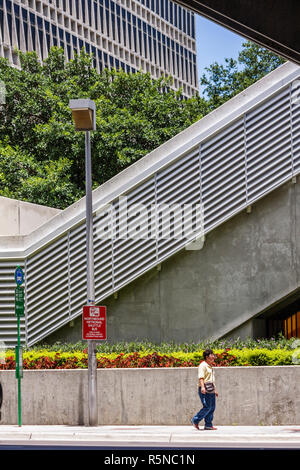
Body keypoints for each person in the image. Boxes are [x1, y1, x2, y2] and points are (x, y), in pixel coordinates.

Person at [191, 348, 218, 430]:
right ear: (207, 357)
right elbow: (201, 377)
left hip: (211, 389)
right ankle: (195, 420)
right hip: (205, 389)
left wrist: (215, 390)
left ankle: (208, 425)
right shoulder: (203, 365)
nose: (213, 356)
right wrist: (202, 387)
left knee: (212, 407)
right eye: (212, 355)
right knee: (207, 406)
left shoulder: (210, 366)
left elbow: (211, 379)